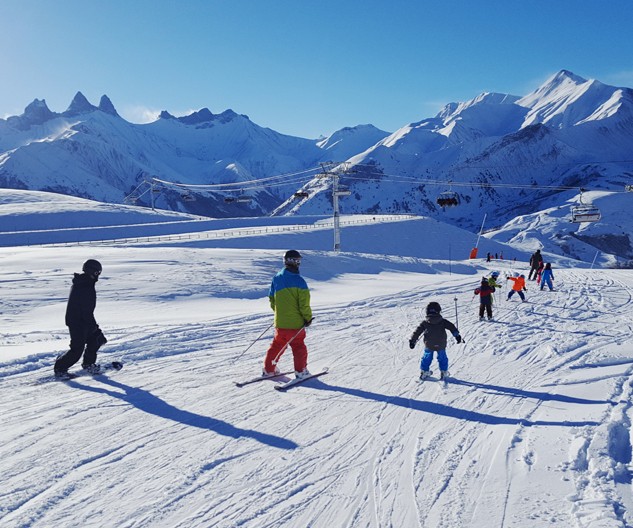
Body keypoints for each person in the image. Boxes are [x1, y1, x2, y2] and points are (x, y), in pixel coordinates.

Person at [263, 250, 313, 379]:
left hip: (280, 322)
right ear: (295, 262)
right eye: (298, 261)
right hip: (296, 324)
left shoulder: (277, 278)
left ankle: (269, 369)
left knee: (277, 345)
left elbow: (271, 299)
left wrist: (280, 312)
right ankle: (301, 371)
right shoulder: (299, 281)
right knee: (298, 346)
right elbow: (304, 304)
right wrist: (307, 318)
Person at [54, 259, 108, 378]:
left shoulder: (84, 282)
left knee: (96, 340)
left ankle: (88, 364)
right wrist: (95, 327)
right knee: (77, 349)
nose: (98, 275)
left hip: (82, 320)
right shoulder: (85, 285)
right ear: (93, 272)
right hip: (77, 322)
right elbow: (86, 311)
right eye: (98, 272)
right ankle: (60, 368)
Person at [409, 302, 462, 380]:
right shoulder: (443, 321)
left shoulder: (425, 323)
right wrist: (457, 335)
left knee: (427, 357)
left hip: (429, 344)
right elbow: (452, 327)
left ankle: (424, 371)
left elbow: (417, 332)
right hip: (441, 343)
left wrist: (412, 341)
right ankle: (444, 372)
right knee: (442, 357)